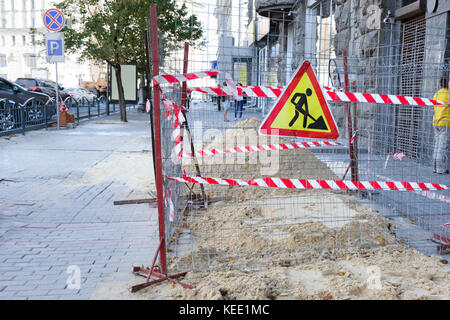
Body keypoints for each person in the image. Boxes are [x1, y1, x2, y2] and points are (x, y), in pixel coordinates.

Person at [432, 77, 449, 174]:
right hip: (445, 122)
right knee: (442, 146)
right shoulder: (448, 94)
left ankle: (434, 167)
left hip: (436, 121)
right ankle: (440, 169)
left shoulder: (437, 93)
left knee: (437, 145)